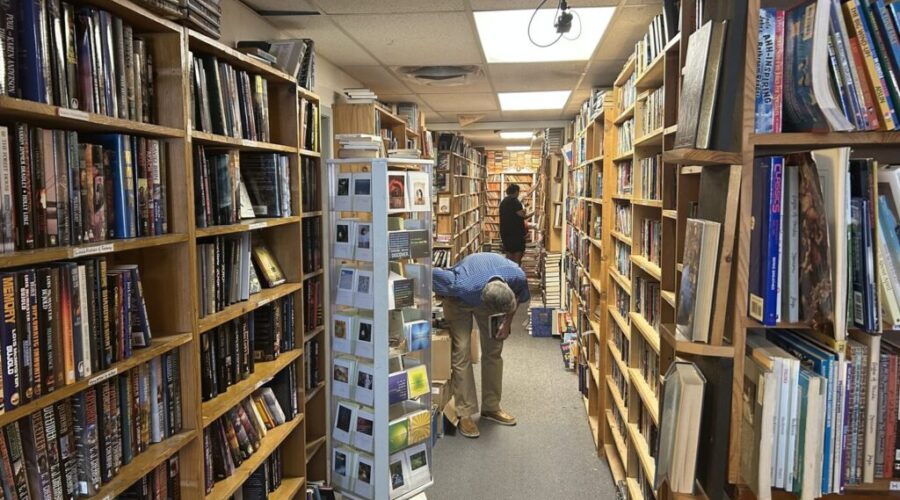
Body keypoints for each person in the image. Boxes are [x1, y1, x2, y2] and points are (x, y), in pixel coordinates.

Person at [432, 252, 530, 438]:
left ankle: (491, 407)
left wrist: (507, 322)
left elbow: (516, 299)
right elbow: (432, 274)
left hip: (489, 288)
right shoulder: (459, 284)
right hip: (459, 300)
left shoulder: (517, 277)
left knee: (494, 348)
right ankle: (465, 413)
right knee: (461, 351)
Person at [499, 183, 533, 263]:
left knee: (509, 255)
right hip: (516, 233)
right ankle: (516, 272)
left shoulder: (503, 202)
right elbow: (522, 216)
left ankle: (509, 273)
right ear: (516, 192)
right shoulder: (515, 202)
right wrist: (530, 213)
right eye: (518, 191)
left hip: (505, 232)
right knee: (517, 254)